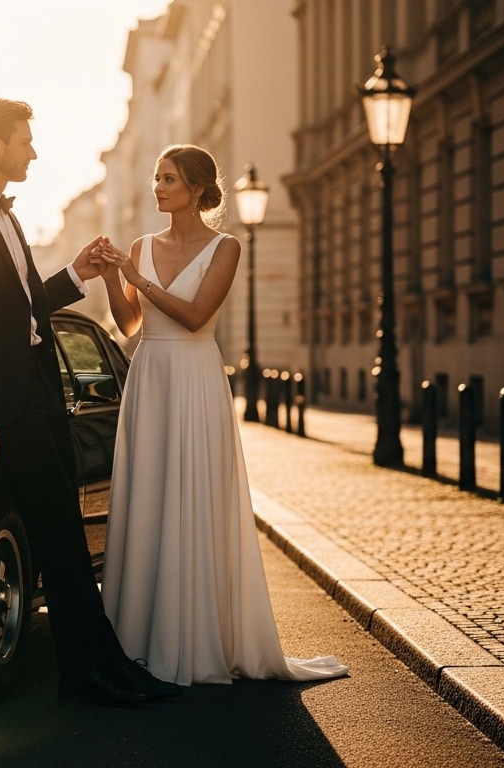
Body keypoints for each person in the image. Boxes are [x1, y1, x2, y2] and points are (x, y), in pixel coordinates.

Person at [0, 98, 181, 706]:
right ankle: (95, 672)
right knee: (60, 538)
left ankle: (93, 668)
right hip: (2, 409)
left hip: (39, 395)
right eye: (24, 140)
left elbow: (30, 307)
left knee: (60, 538)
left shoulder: (9, 221)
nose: (33, 151)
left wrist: (78, 272)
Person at [96, 144, 349, 686]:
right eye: (156, 177)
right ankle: (138, 633)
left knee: (194, 492)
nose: (157, 187)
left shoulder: (225, 248)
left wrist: (134, 279)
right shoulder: (141, 245)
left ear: (194, 187)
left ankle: (196, 631)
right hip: (151, 377)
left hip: (194, 379)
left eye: (168, 179)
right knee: (150, 491)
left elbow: (194, 316)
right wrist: (108, 278)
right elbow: (128, 326)